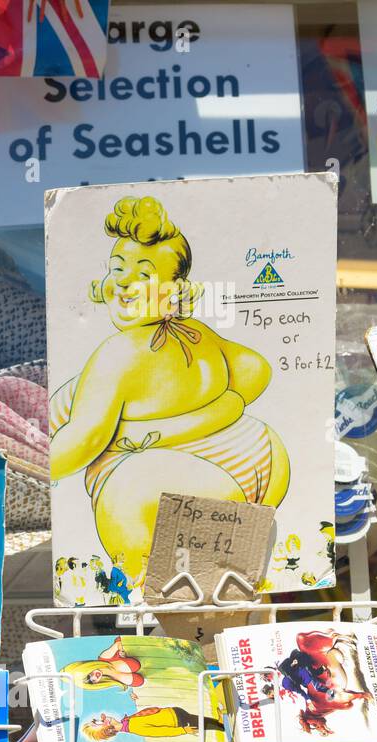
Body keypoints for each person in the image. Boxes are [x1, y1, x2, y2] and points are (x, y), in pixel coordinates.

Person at [50, 195, 290, 587]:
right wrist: (219, 411)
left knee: (157, 572)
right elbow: (255, 369)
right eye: (117, 269)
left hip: (186, 502)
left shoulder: (119, 354)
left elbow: (85, 438)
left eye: (143, 275)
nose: (124, 282)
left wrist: (36, 467)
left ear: (174, 289)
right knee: (225, 595)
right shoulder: (199, 336)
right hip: (261, 466)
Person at [82, 705, 224, 742]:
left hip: (173, 714)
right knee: (202, 723)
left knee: (201, 720)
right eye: (98, 722)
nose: (103, 717)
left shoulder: (128, 721)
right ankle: (221, 726)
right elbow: (160, 732)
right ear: (107, 728)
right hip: (177, 721)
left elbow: (148, 713)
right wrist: (183, 731)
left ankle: (218, 723)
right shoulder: (133, 727)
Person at [63, 635, 145, 692]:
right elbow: (140, 681)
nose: (94, 676)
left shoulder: (104, 658)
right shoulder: (113, 680)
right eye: (92, 681)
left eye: (89, 674)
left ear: (87, 667)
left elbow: (118, 643)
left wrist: (122, 651)